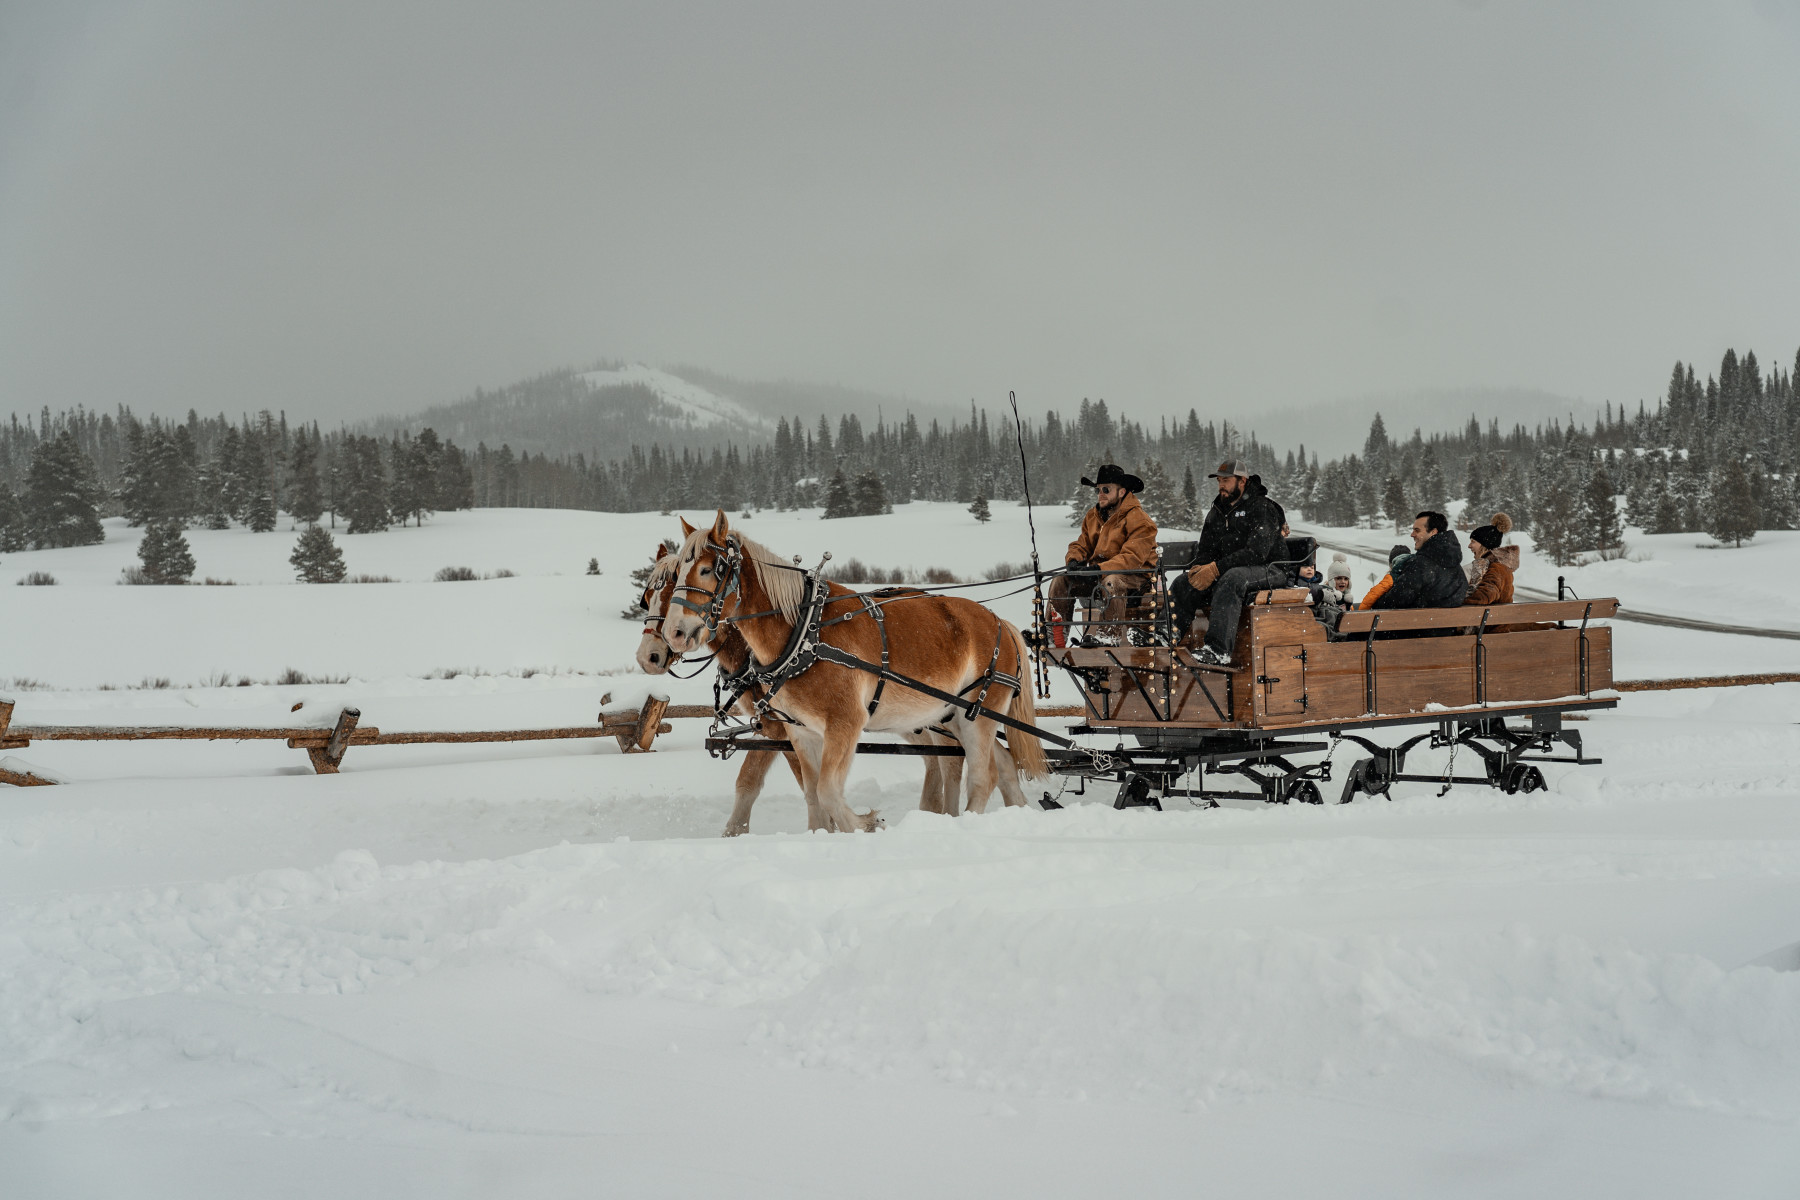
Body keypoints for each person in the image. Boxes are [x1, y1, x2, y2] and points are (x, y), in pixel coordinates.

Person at [1170, 460, 1286, 665]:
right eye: (1219, 481)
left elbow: (1256, 553)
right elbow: (1206, 549)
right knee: (1183, 582)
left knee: (1232, 579)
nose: (1221, 485)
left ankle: (1218, 650)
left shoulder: (1261, 507)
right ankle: (1165, 635)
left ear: (1242, 481)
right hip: (1232, 568)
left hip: (1271, 568)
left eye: (1226, 480)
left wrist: (1216, 568)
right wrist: (1200, 568)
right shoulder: (1217, 511)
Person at [1049, 463, 1158, 646]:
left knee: (1112, 581)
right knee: (1060, 580)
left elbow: (1132, 558)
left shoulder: (1140, 520)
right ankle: (1054, 637)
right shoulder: (1093, 516)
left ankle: (1108, 637)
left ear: (1122, 492)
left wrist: (1099, 569)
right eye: (1098, 490)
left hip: (1136, 579)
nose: (1101, 494)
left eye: (1106, 489)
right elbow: (1082, 544)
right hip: (1099, 575)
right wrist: (1074, 560)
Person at [1371, 510, 1468, 609]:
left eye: (1417, 530)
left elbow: (1395, 600)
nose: (1412, 534)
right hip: (1451, 619)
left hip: (1420, 619)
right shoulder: (1456, 567)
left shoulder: (1420, 564)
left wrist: (1375, 604)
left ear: (1433, 532)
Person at [1464, 513, 1517, 607]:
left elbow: (1486, 595)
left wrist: (1457, 601)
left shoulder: (1498, 567)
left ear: (1485, 545)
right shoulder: (1492, 565)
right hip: (1492, 615)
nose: (1469, 546)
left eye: (1473, 541)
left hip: (1494, 616)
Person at [1357, 545, 1411, 610]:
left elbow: (1370, 598)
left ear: (1391, 564)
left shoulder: (1391, 579)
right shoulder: (1417, 577)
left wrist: (1361, 612)